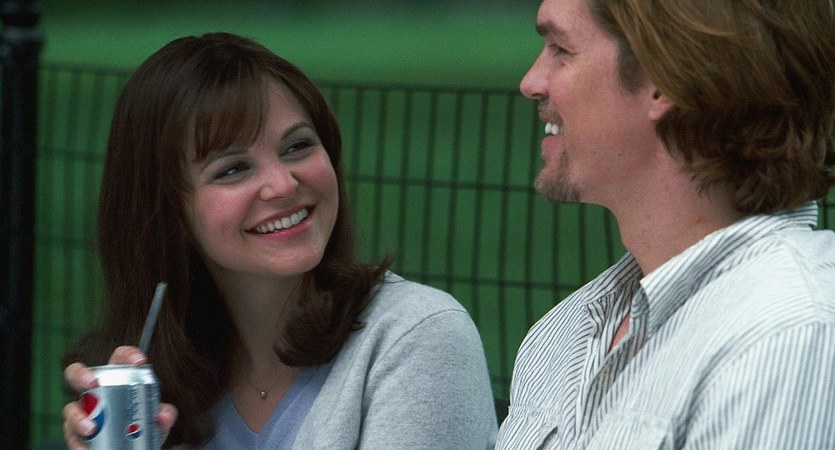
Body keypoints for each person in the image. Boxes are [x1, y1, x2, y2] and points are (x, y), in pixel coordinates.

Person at [61, 32, 497, 449]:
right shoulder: (157, 387)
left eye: (297, 147)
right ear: (168, 212)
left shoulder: (418, 336)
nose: (283, 184)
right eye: (233, 169)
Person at [497, 0, 835, 448]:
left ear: (663, 81)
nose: (531, 82)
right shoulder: (565, 332)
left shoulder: (783, 336)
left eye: (560, 49)